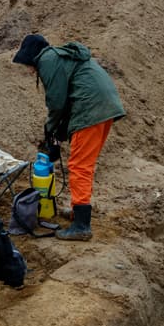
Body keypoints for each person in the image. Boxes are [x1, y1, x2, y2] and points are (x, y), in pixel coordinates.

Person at [12, 33, 125, 241]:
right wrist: (57, 135)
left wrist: (50, 131)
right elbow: (65, 101)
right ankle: (78, 211)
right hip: (105, 107)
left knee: (79, 166)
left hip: (90, 109)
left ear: (31, 56)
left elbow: (56, 103)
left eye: (27, 65)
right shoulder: (60, 57)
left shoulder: (46, 60)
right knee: (84, 164)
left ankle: (82, 225)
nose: (29, 70)